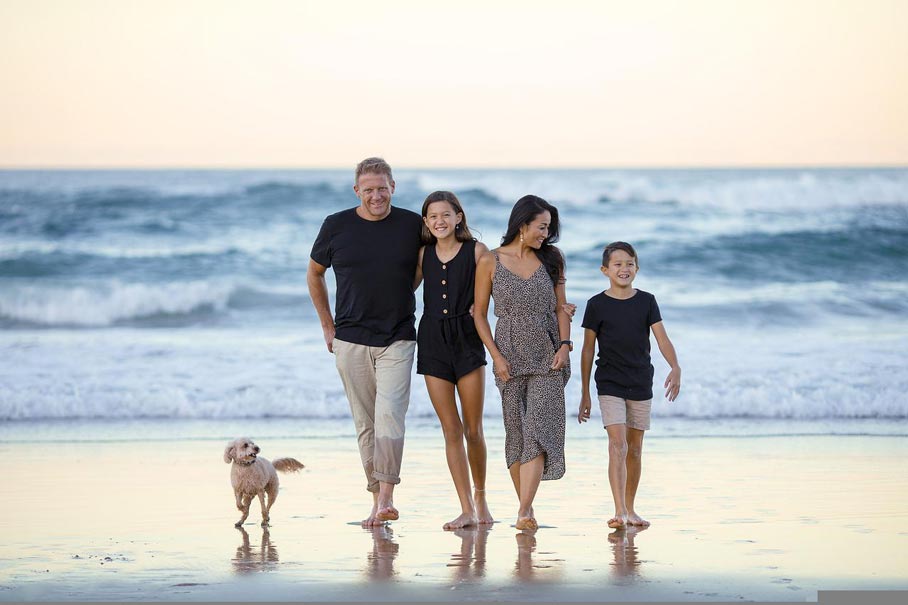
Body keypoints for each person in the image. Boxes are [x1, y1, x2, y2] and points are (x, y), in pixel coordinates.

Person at [307, 157, 423, 527]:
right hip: (350, 339)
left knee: (390, 416)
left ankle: (387, 496)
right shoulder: (336, 226)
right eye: (369, 189)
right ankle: (377, 500)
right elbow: (314, 274)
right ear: (357, 190)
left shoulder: (411, 224)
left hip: (399, 336)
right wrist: (328, 325)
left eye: (382, 188)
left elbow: (426, 266)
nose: (377, 195)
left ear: (393, 186)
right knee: (366, 423)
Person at [473, 194, 572, 532]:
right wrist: (496, 357)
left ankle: (525, 510)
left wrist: (565, 345)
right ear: (522, 224)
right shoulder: (489, 261)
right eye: (541, 227)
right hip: (508, 355)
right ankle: (525, 511)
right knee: (515, 433)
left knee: (537, 429)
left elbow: (561, 308)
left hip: (548, 354)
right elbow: (479, 315)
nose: (545, 234)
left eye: (548, 228)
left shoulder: (553, 259)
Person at [577, 241, 681, 529]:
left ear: (637, 267)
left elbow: (661, 338)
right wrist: (584, 391)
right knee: (617, 444)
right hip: (609, 382)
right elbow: (587, 350)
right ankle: (619, 510)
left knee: (635, 449)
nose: (624, 269)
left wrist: (675, 366)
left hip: (640, 380)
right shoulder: (596, 305)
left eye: (630, 263)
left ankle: (631, 508)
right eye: (618, 264)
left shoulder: (647, 301)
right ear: (605, 270)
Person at [416, 191, 493, 530]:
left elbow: (498, 290)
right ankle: (465, 509)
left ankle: (480, 497)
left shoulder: (477, 252)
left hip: (467, 340)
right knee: (451, 429)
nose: (440, 221)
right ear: (426, 222)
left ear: (459, 217)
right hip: (432, 340)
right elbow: (399, 291)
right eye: (432, 216)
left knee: (473, 429)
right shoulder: (422, 255)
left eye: (446, 214)